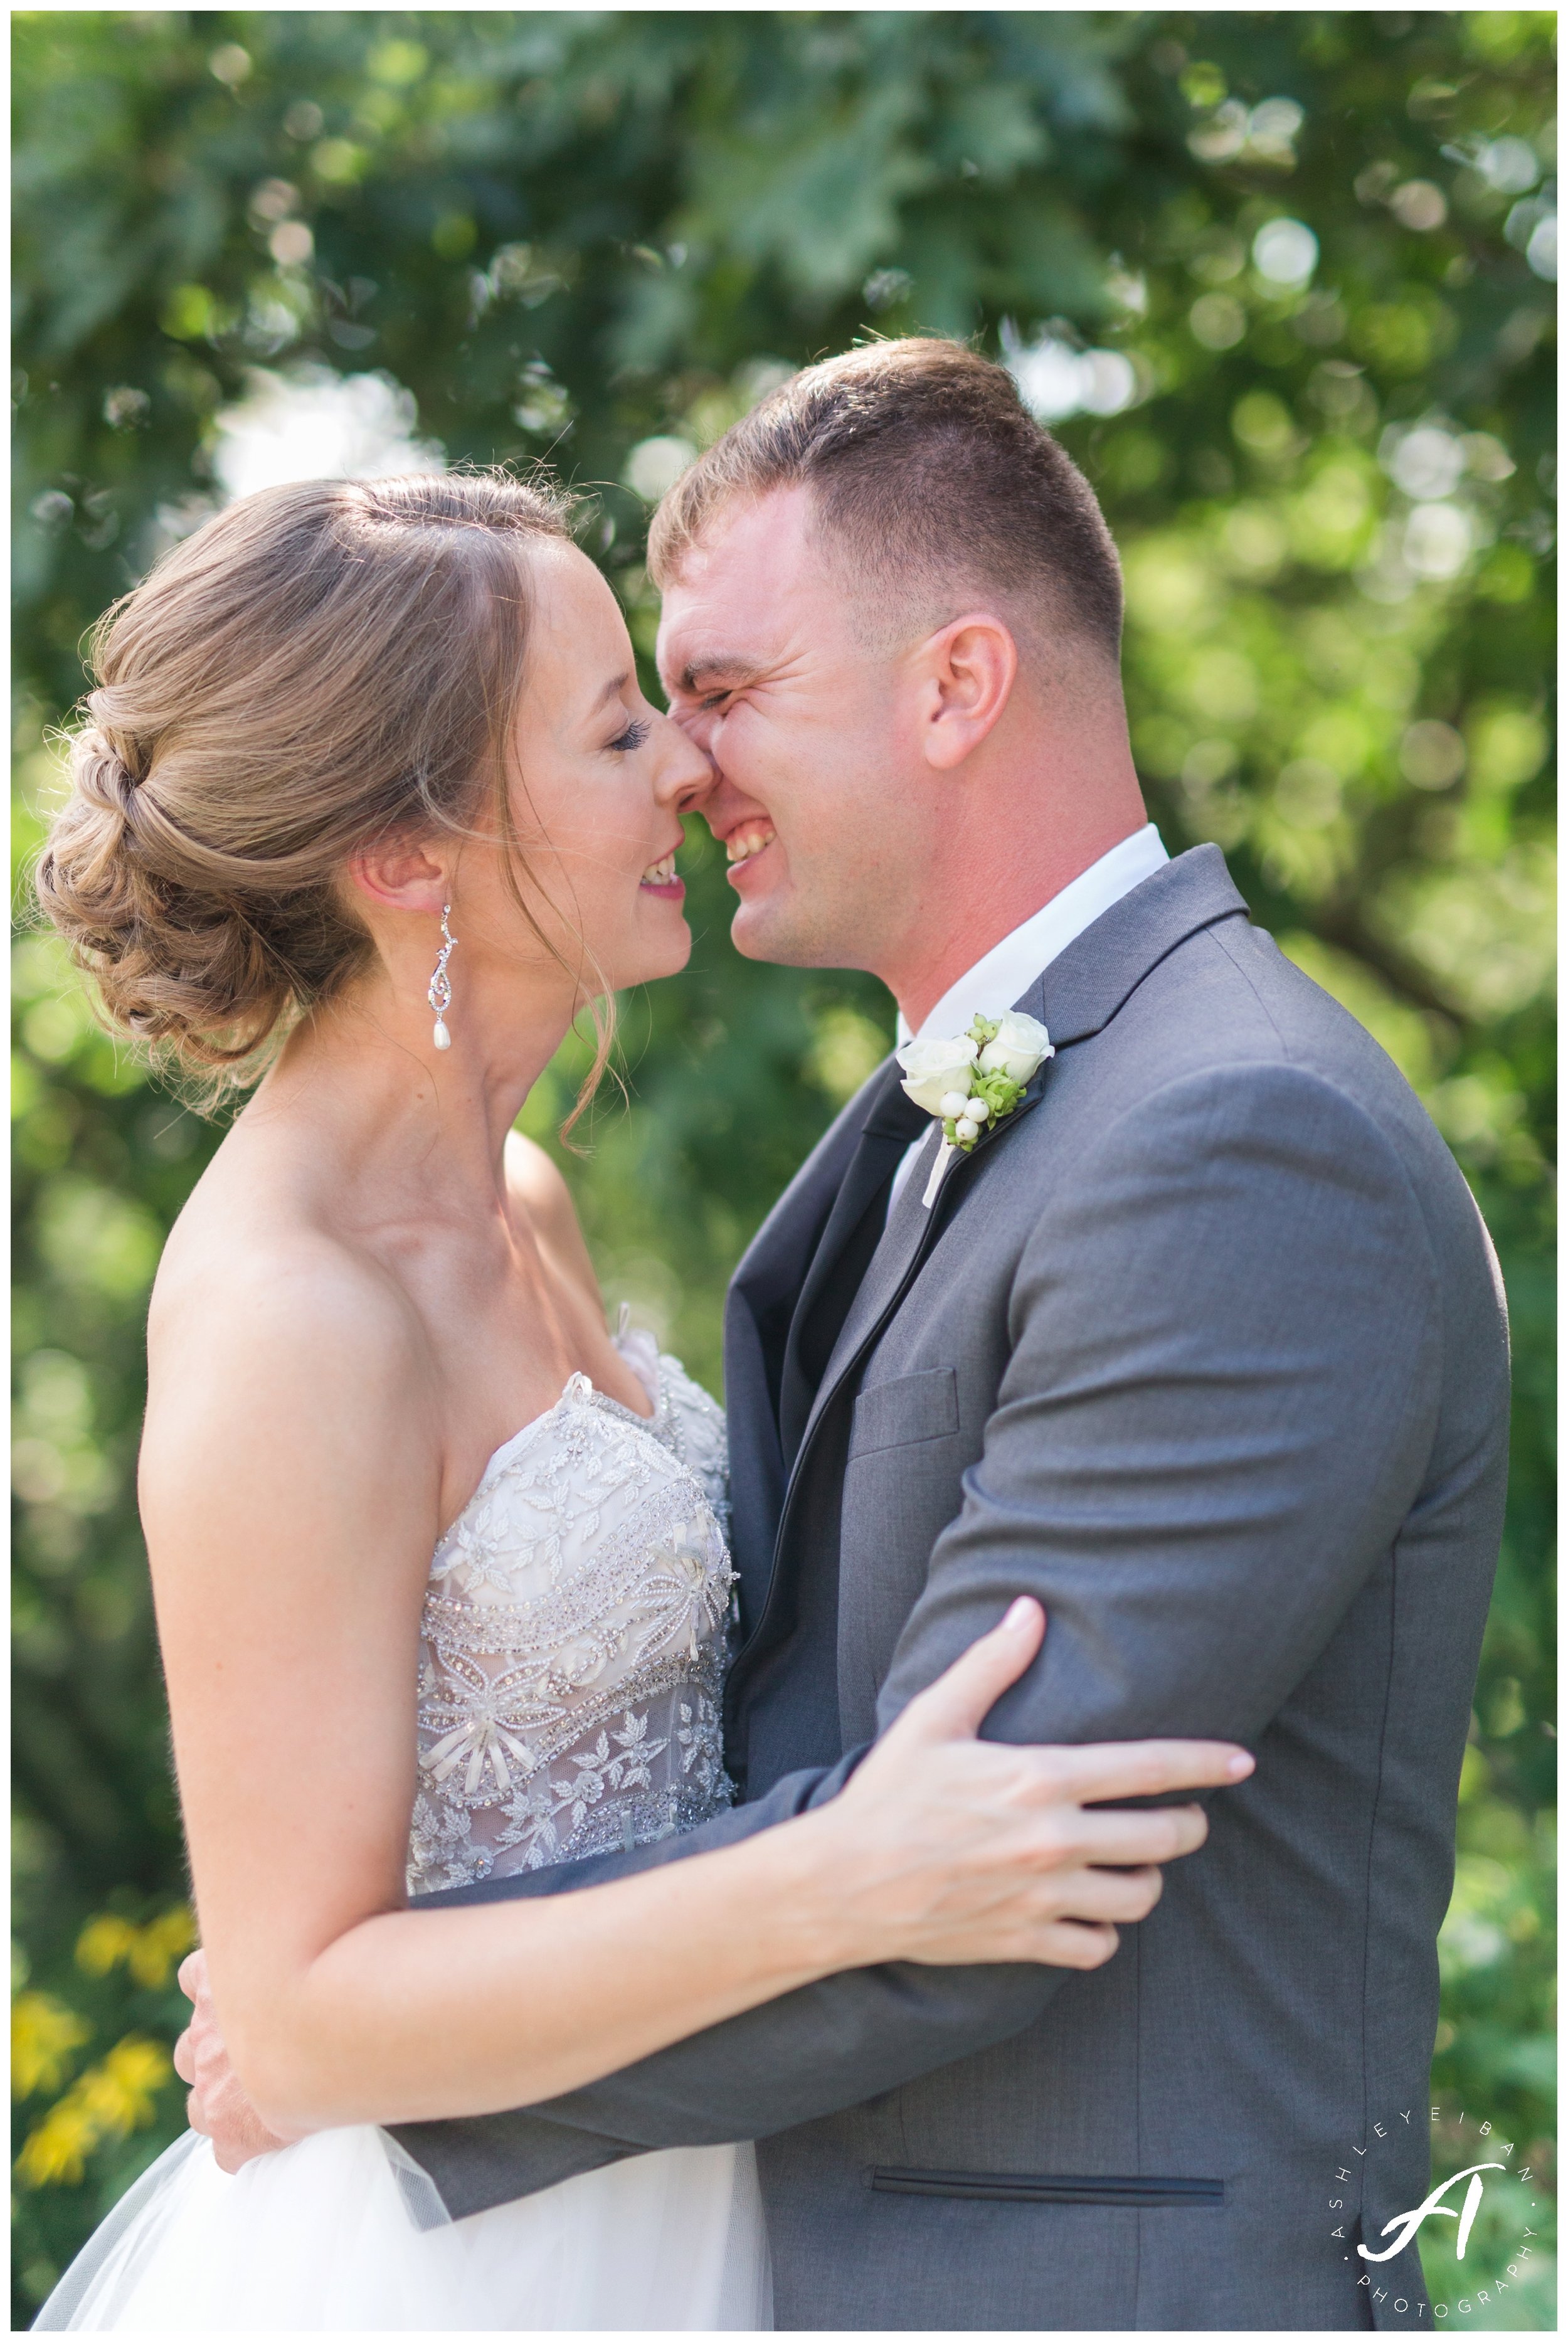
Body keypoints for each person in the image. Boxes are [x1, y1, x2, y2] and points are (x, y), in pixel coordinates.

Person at [182, 342, 1508, 2333]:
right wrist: (340, 2013)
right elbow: (841, 1797)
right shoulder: (971, 1107)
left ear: (954, 685)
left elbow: (979, 1861)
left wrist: (352, 2057)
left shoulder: (1236, 1136)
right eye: (634, 720)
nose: (689, 767)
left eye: (709, 698)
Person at [29, 465, 1249, 2333]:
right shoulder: (297, 1308)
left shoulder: (519, 1203)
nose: (686, 766)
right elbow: (293, 2015)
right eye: (613, 730)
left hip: (708, 2183)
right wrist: (848, 1885)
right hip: (460, 2263)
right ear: (405, 855)